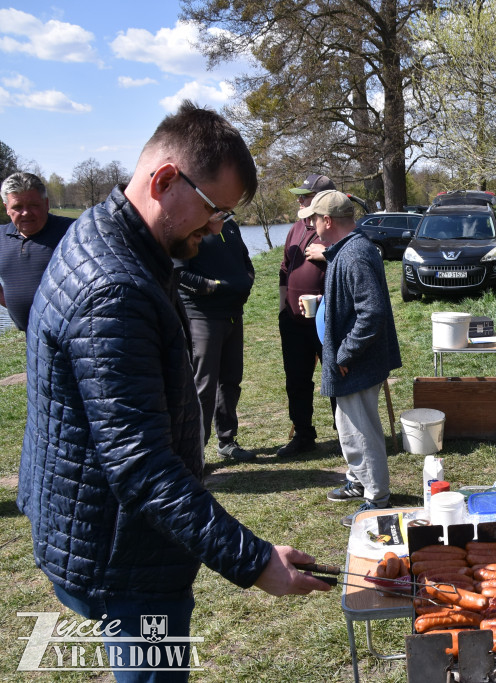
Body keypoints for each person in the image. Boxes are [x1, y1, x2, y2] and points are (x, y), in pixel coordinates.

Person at [18, 101, 331, 681]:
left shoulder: (109, 233)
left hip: (102, 530)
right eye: (213, 210)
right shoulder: (113, 288)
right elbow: (140, 466)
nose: (216, 229)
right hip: (125, 555)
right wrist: (256, 561)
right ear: (165, 180)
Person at [297, 190, 401, 526]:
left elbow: (372, 312)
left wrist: (345, 354)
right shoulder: (345, 250)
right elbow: (352, 301)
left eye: (314, 219)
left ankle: (376, 498)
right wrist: (323, 303)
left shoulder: (354, 254)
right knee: (348, 425)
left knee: (360, 431)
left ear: (327, 220)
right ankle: (359, 481)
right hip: (353, 360)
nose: (311, 226)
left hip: (357, 361)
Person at [175, 218, 256, 462]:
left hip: (233, 313)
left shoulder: (230, 225)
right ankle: (195, 450)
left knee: (231, 380)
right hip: (203, 316)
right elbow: (178, 274)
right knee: (204, 384)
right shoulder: (189, 224)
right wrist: (214, 287)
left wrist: (246, 281)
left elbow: (245, 261)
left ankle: (227, 440)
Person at [277, 173, 337, 456]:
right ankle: (303, 434)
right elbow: (284, 268)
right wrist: (283, 309)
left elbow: (354, 259)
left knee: (336, 376)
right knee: (296, 379)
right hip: (294, 321)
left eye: (306, 196)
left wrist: (329, 253)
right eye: (300, 196)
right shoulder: (296, 228)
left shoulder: (335, 229)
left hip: (328, 320)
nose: (300, 201)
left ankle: (345, 434)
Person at [0, 172, 74, 331]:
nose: (26, 212)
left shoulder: (73, 232)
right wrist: (12, 302)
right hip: (31, 337)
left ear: (46, 204)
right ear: (7, 208)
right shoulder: (1, 237)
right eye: (17, 207)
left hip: (74, 335)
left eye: (33, 205)